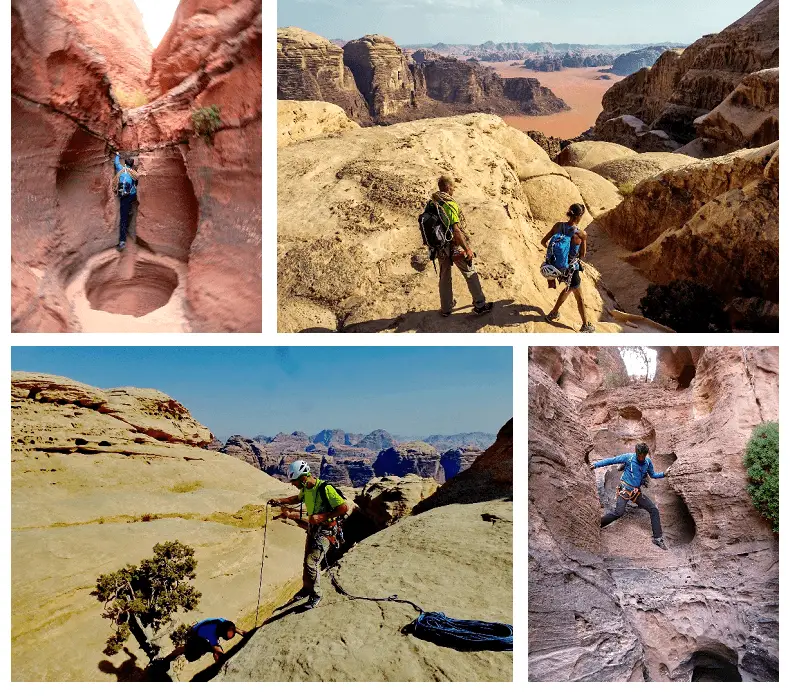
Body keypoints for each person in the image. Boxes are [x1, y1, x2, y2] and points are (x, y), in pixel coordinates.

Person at [268, 461, 350, 610]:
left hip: (326, 531)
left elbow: (344, 507)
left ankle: (316, 594)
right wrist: (279, 501)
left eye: (294, 481)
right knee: (306, 560)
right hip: (314, 529)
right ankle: (307, 588)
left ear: (303, 477)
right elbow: (297, 499)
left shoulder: (325, 488)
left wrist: (322, 517)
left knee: (311, 562)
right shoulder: (306, 488)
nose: (293, 484)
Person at [431, 175, 493, 317]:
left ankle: (446, 308)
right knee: (470, 272)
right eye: (453, 188)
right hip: (454, 247)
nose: (453, 190)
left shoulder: (433, 202)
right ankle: (480, 305)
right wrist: (467, 249)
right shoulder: (449, 204)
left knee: (444, 277)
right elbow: (456, 230)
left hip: (439, 247)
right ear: (447, 187)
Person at [590, 443, 672, 550]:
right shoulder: (629, 457)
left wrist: (664, 474)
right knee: (618, 513)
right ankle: (597, 524)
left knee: (653, 510)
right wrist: (596, 465)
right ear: (637, 452)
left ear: (646, 454)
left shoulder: (647, 462)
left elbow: (653, 475)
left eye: (643, 455)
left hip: (635, 492)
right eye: (639, 455)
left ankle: (657, 538)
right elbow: (612, 460)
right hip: (624, 489)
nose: (641, 457)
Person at [541, 203, 594, 333]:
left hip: (558, 268)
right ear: (580, 216)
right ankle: (585, 325)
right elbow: (582, 255)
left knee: (568, 289)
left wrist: (557, 256)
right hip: (571, 270)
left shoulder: (558, 226)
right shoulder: (580, 234)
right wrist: (583, 241)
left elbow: (543, 242)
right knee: (579, 297)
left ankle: (553, 313)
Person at [163, 618, 244, 664]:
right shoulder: (211, 632)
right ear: (220, 632)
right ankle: (166, 660)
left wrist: (244, 633)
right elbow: (217, 649)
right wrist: (224, 662)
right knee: (186, 650)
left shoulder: (223, 623)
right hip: (196, 636)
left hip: (202, 630)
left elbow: (232, 628)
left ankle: (167, 659)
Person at [113, 153, 139, 251]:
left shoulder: (120, 169)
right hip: (130, 196)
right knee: (133, 195)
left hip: (123, 197)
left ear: (125, 163)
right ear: (132, 165)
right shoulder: (133, 173)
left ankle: (122, 242)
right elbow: (136, 181)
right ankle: (129, 211)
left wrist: (117, 155)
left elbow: (116, 162)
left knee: (123, 219)